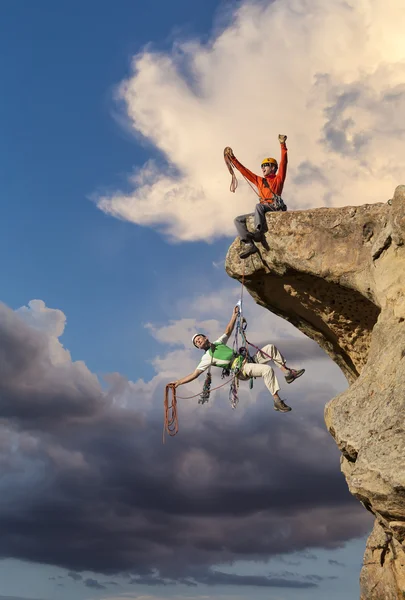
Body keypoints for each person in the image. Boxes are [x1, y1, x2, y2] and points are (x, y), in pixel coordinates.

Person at [169, 307, 304, 413]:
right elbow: (195, 373)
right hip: (241, 369)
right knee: (267, 370)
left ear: (205, 337)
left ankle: (287, 373)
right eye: (197, 343)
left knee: (270, 348)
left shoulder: (218, 343)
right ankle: (277, 401)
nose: (198, 341)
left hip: (248, 360)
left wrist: (234, 315)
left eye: (199, 339)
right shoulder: (207, 357)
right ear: (199, 348)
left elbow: (228, 330)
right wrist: (179, 382)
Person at [224, 134, 288, 259]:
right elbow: (245, 171)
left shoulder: (278, 179)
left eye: (266, 165)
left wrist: (282, 145)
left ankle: (258, 232)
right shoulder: (259, 180)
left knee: (259, 206)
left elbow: (284, 162)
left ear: (274, 168)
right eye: (262, 166)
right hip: (262, 210)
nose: (263, 168)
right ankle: (249, 243)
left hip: (273, 207)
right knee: (238, 220)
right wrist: (232, 158)